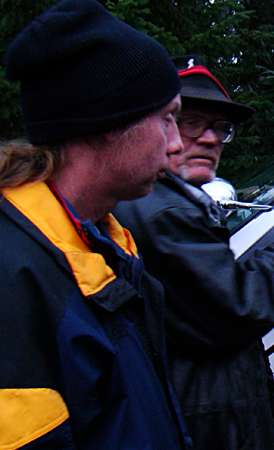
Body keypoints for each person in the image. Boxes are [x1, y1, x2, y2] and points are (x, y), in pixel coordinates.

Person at [0, 0, 191, 449]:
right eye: (167, 119)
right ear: (110, 120)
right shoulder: (16, 278)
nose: (177, 144)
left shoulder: (101, 244)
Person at [114, 55, 274, 450]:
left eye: (220, 128)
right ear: (157, 127)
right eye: (191, 122)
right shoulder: (165, 211)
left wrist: (260, 394)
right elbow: (237, 309)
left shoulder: (168, 201)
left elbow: (188, 328)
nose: (210, 139)